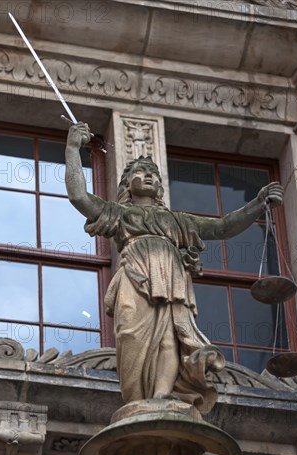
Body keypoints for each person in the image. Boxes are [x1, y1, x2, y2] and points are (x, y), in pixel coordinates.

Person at [65, 122, 284, 414]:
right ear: (127, 184)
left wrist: (256, 205)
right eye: (140, 174)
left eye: (154, 175)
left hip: (171, 279)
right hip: (136, 274)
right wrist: (71, 150)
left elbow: (222, 227)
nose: (148, 177)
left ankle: (161, 394)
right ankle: (136, 400)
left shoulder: (176, 221)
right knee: (130, 332)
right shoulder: (119, 214)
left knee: (171, 338)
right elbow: (79, 196)